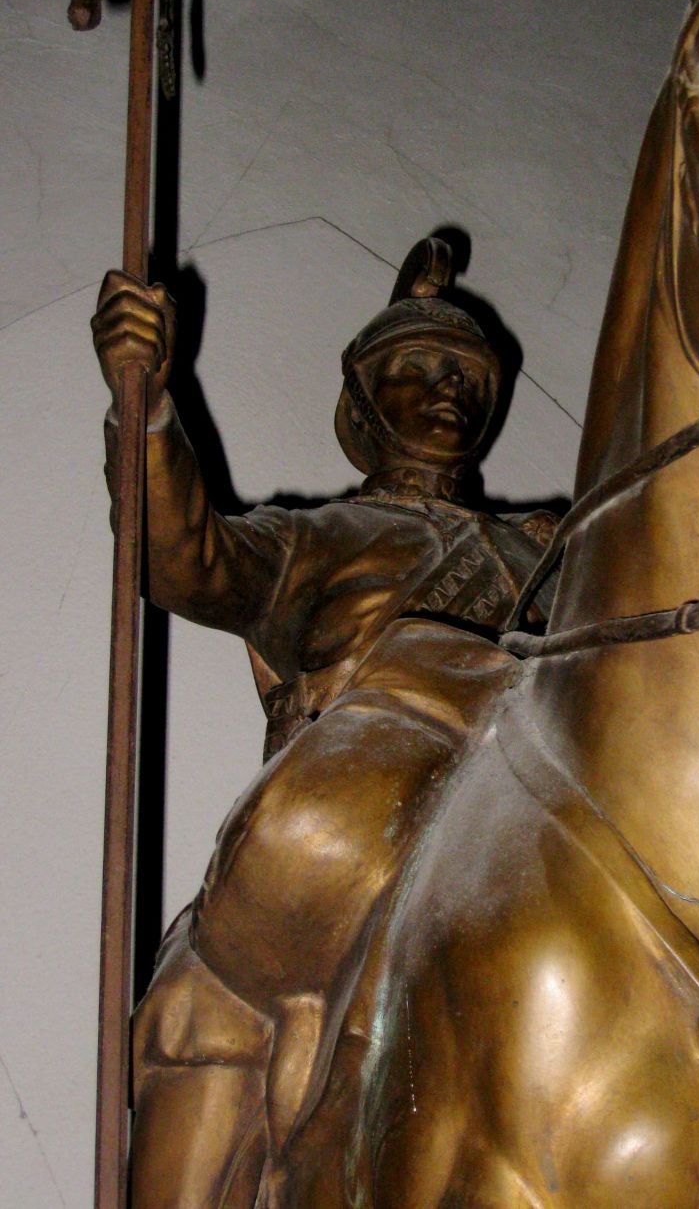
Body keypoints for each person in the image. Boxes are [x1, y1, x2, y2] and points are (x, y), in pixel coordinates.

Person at [91, 237, 557, 1207]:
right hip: (349, 828)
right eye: (421, 369)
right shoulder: (328, 538)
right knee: (201, 1013)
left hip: (519, 829)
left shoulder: (548, 549)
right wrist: (150, 407)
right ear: (365, 405)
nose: (449, 388)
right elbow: (187, 560)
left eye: (468, 374)